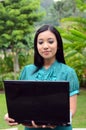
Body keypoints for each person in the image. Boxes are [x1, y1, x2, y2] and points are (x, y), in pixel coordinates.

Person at [4, 24, 79, 130]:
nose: (45, 46)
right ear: (36, 46)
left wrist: (56, 121)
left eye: (50, 41)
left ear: (58, 45)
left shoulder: (68, 72)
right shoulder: (27, 71)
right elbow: (20, 104)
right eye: (40, 42)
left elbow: (71, 110)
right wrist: (12, 115)